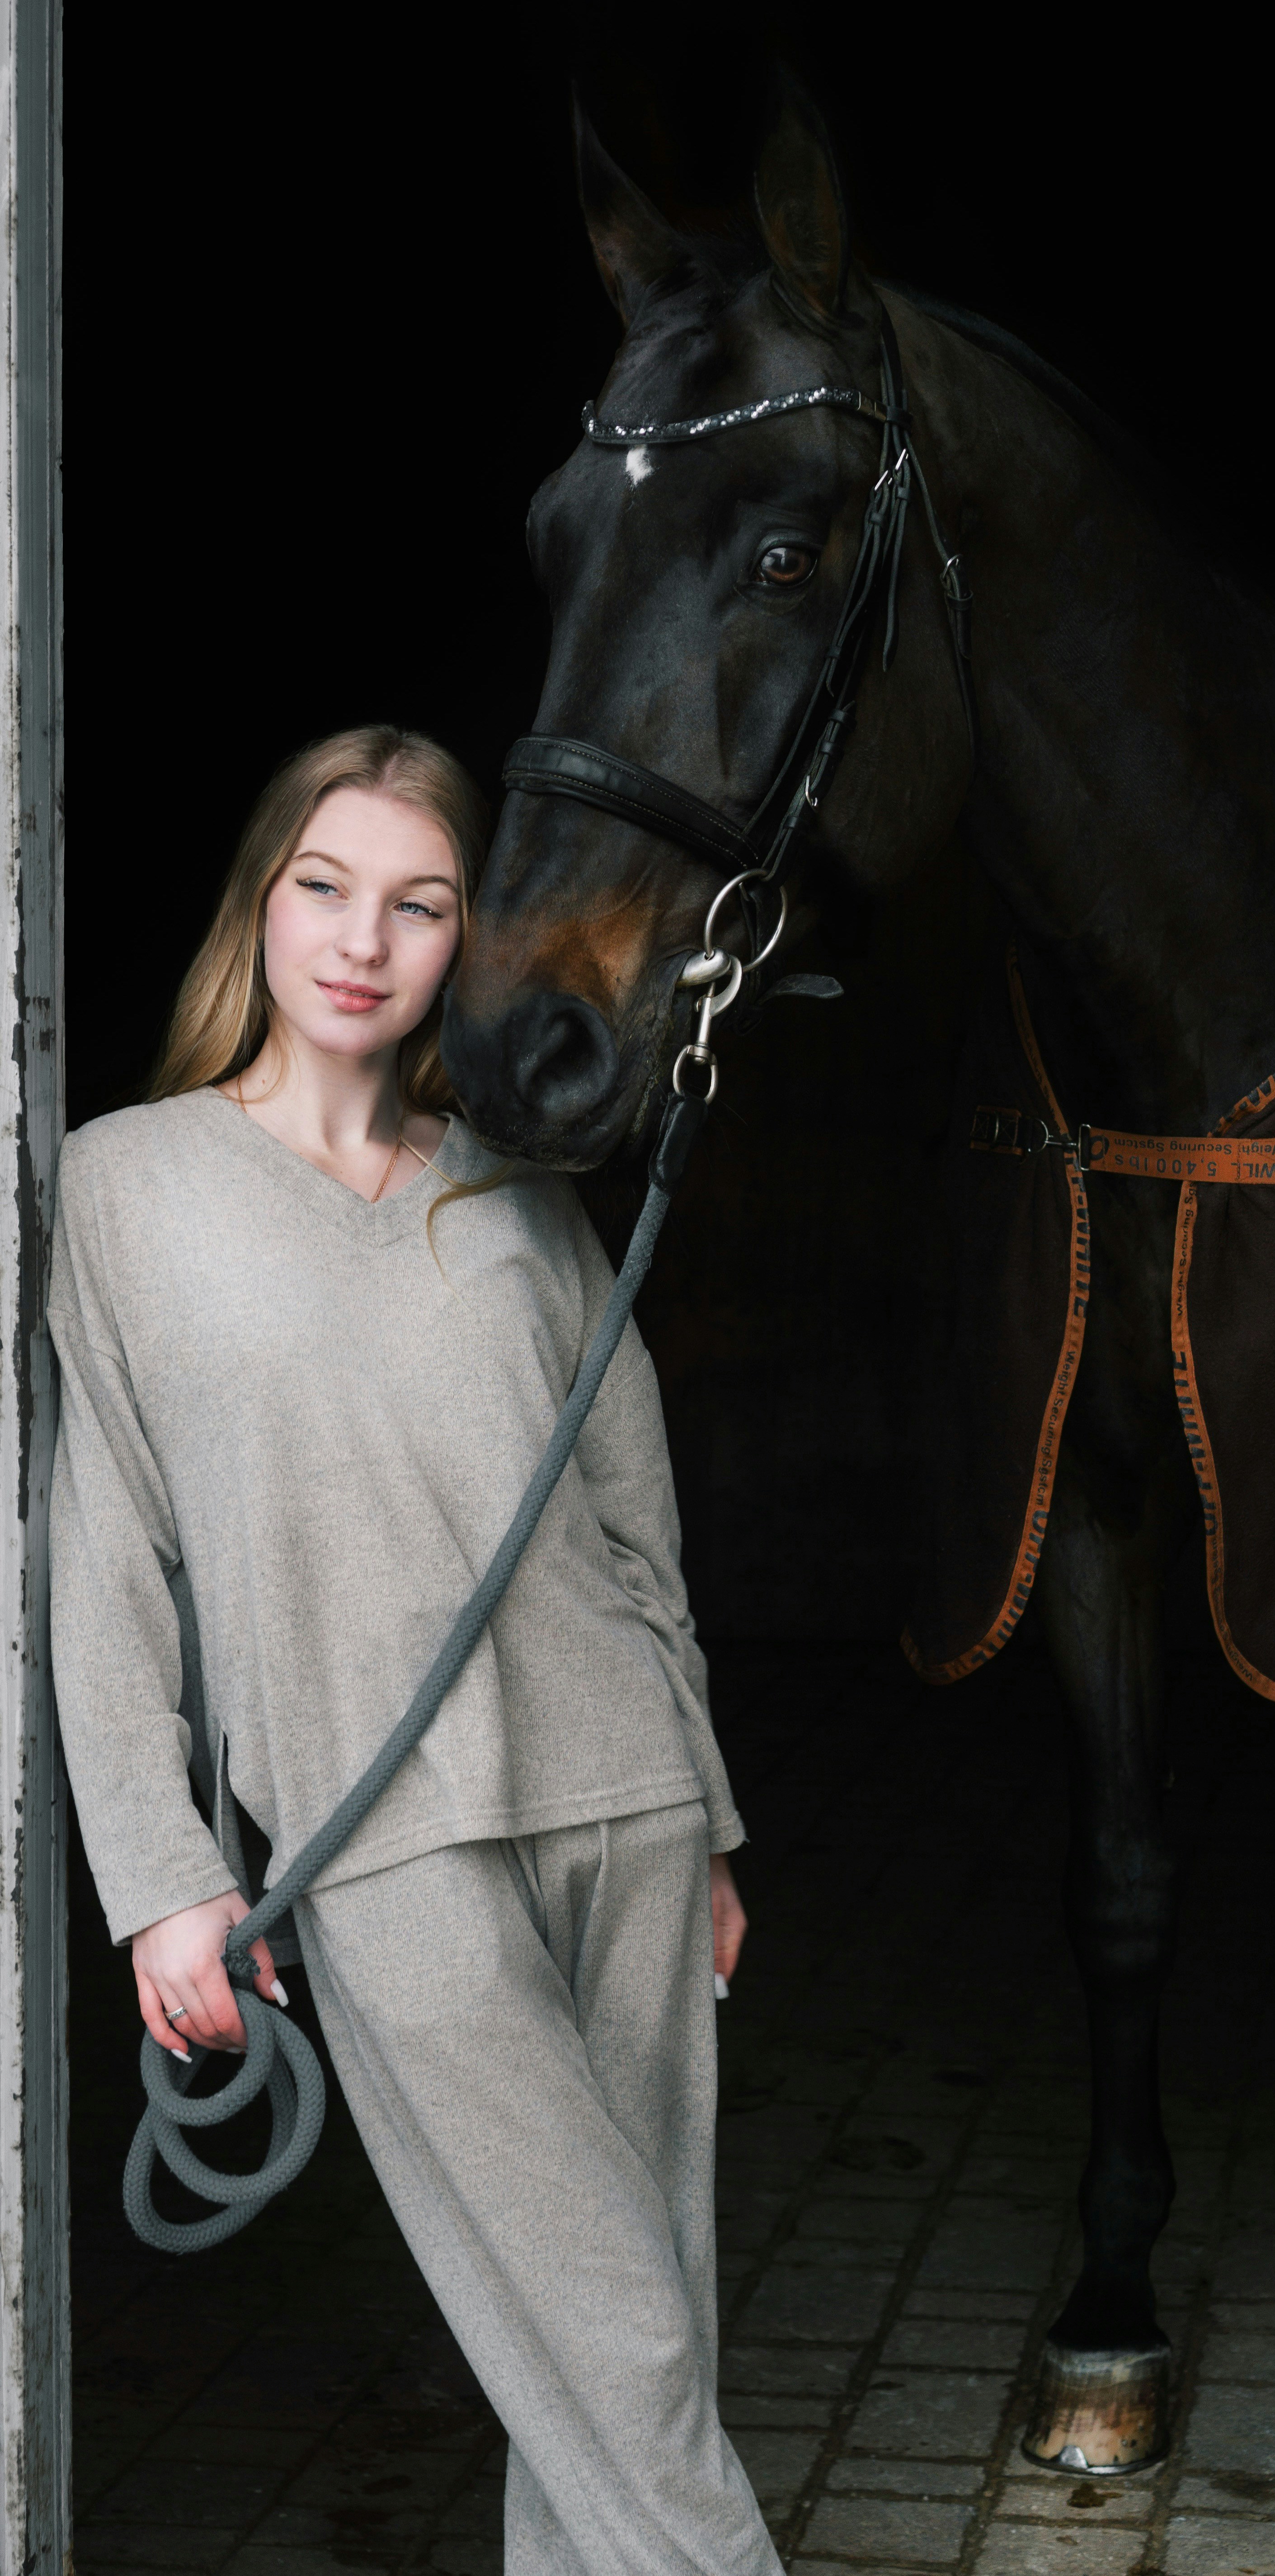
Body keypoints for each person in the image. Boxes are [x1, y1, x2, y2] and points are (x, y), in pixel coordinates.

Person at [49, 726, 782, 2576]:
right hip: (377, 1847)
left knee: (623, 2341)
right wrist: (158, 1883)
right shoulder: (120, 1187)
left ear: (471, 937)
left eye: (418, 903)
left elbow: (636, 1524)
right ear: (261, 907)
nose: (361, 941)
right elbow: (105, 1559)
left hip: (617, 1795)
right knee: (613, 2338)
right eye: (324, 888)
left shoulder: (522, 1187)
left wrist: (703, 1813)